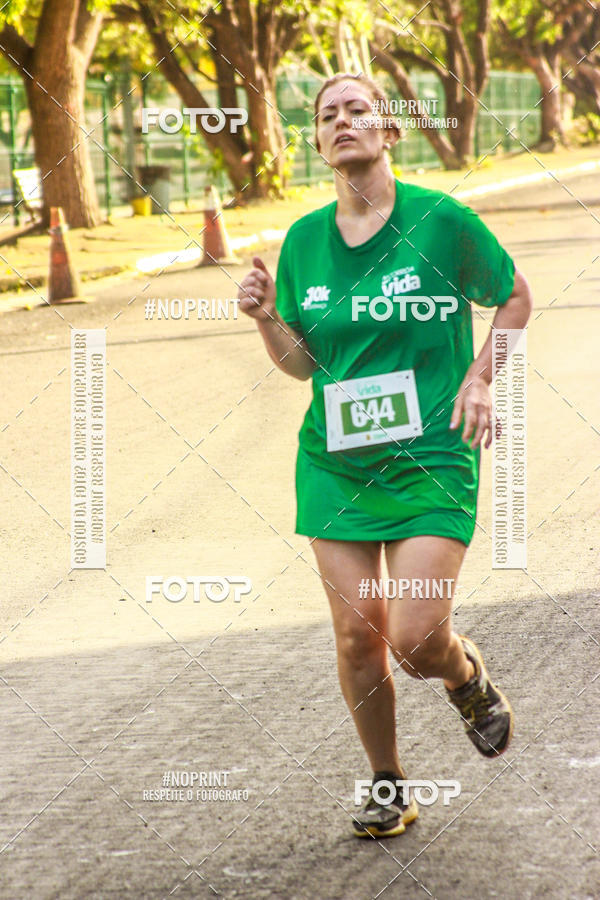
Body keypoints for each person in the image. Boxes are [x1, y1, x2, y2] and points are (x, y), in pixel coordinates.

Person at [237, 72, 532, 839]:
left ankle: (463, 675)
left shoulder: (441, 221)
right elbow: (301, 364)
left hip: (433, 455)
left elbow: (515, 295)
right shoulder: (304, 240)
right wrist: (269, 319)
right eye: (327, 115)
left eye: (357, 110)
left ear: (389, 130)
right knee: (356, 635)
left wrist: (479, 378)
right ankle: (387, 783)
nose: (342, 122)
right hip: (335, 464)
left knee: (413, 639)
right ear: (319, 142)